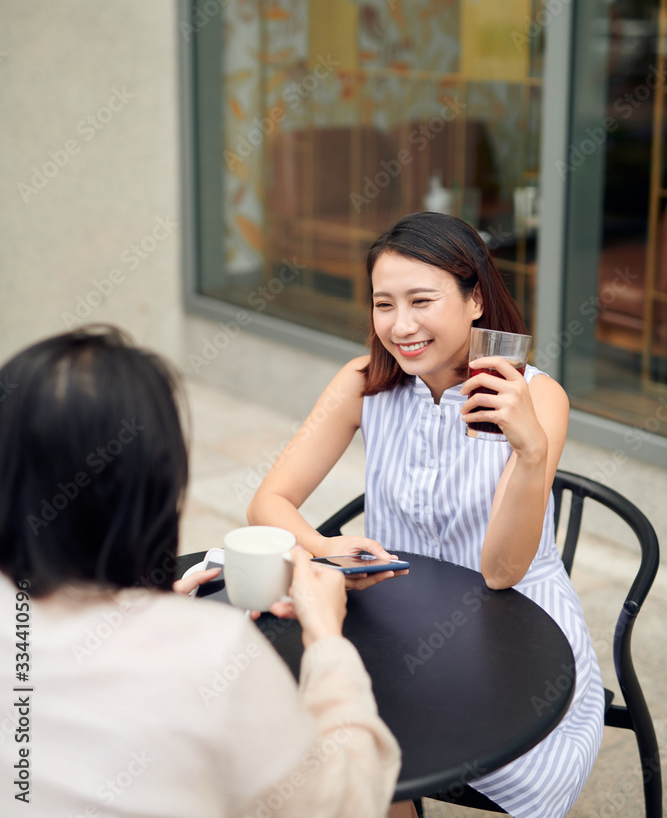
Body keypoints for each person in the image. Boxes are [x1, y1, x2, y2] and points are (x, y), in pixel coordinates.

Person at [249, 211, 606, 818]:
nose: (401, 325)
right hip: (398, 621)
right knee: (335, 731)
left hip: (516, 634)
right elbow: (268, 503)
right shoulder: (363, 383)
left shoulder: (535, 396)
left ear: (474, 300)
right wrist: (323, 546)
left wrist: (530, 449)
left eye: (422, 300)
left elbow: (501, 572)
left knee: (468, 753)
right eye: (383, 304)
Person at [0, 327, 400, 818]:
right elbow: (341, 803)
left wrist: (160, 601)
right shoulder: (215, 652)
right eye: (385, 302)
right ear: (157, 483)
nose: (401, 325)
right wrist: (326, 639)